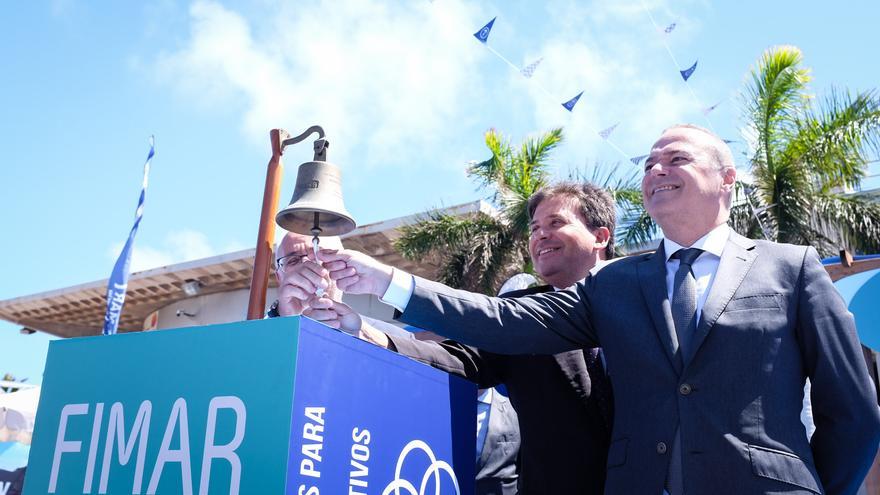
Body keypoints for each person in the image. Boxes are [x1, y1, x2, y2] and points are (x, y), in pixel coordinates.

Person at [317, 124, 880, 495]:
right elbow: (503, 324)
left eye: (676, 158)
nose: (655, 170)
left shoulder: (792, 267)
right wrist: (383, 283)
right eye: (648, 163)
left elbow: (853, 412)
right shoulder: (617, 285)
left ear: (726, 179)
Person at [306, 182, 616, 493]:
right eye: (534, 228)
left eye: (556, 222)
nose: (540, 235)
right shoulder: (517, 315)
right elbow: (456, 361)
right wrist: (364, 332)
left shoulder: (638, 302)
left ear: (600, 237)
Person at [272, 231, 520, 492]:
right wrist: (287, 325)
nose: (310, 269)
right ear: (279, 274)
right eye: (294, 260)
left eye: (321, 257)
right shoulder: (254, 342)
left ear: (340, 267)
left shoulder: (395, 343)